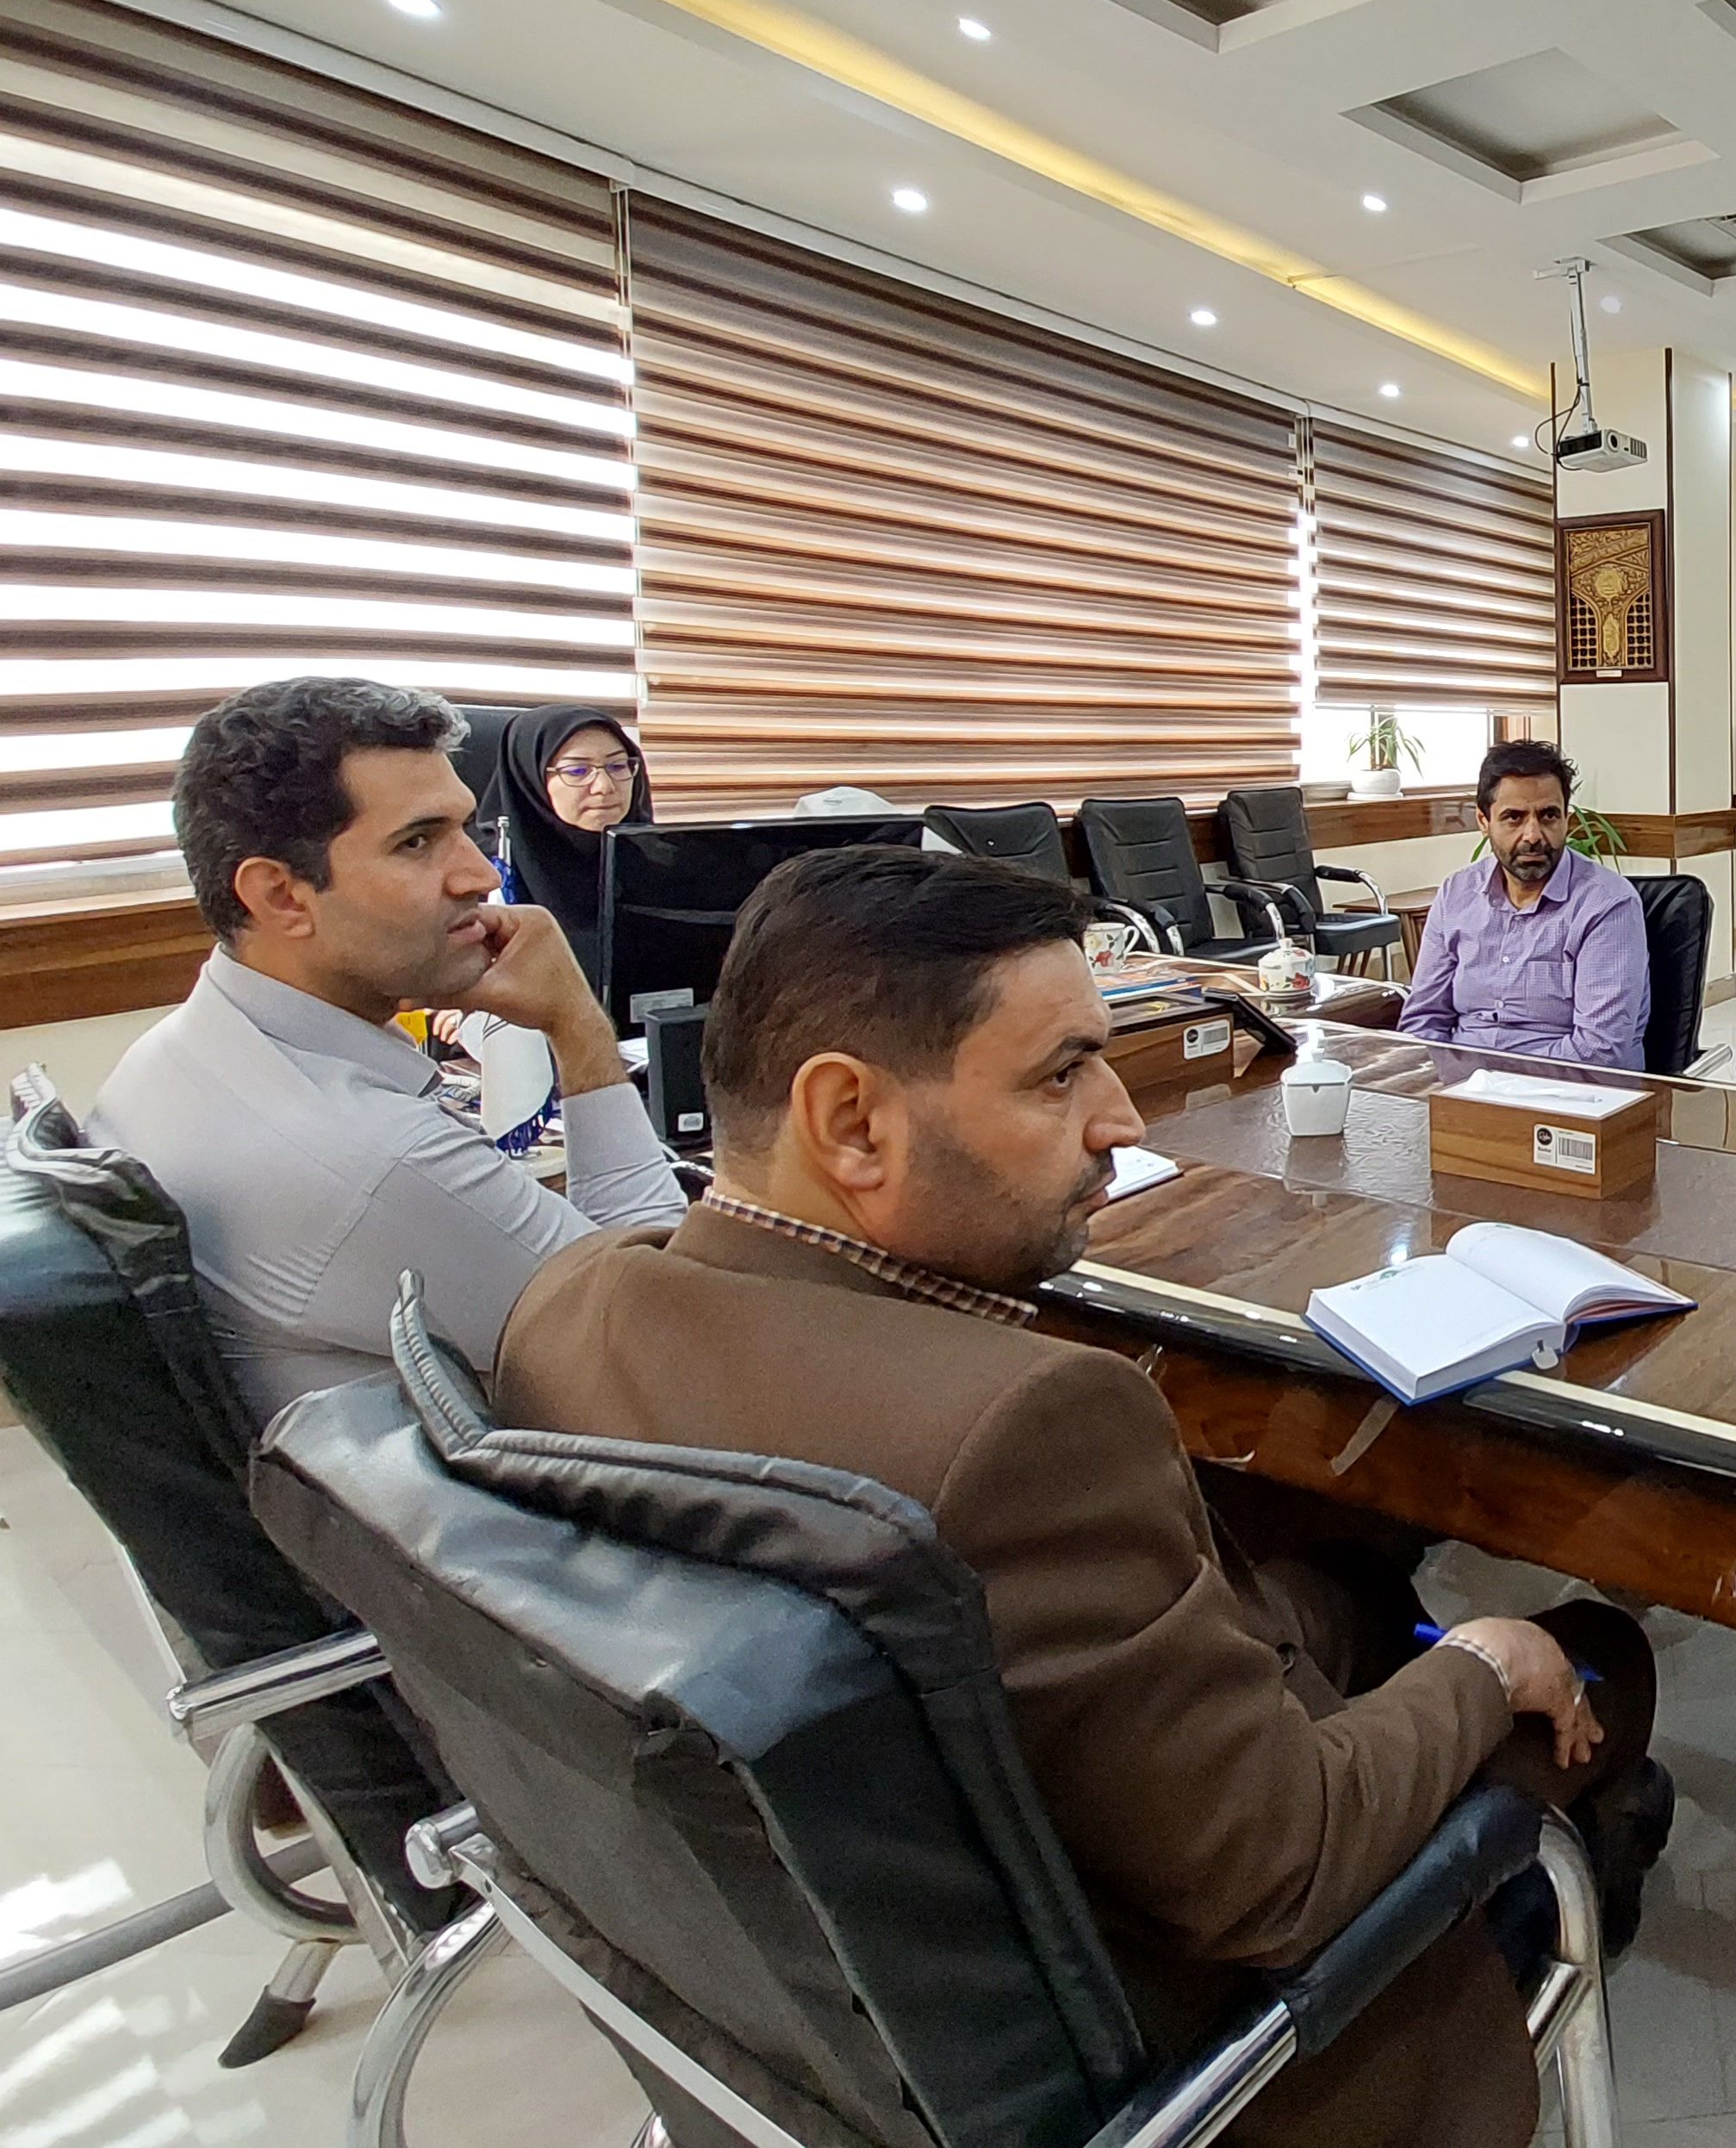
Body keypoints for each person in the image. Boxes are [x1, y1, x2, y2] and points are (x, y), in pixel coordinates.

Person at [492, 847, 1671, 2148]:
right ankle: (1547, 1903)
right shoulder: (1026, 1425)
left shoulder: (564, 1312)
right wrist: (1491, 1658)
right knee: (1595, 1653)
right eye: (1061, 1073)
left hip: (829, 1992)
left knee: (1347, 1566)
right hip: (1211, 2044)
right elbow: (1278, 1873)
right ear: (851, 1121)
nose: (1121, 1120)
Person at [89, 679, 687, 1426]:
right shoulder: (369, 1160)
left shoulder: (178, 1054)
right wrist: (576, 1026)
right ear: (280, 897)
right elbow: (672, 1336)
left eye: (466, 829)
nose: (480, 876)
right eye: (417, 842)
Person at [1397, 741, 1649, 1068]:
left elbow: (1599, 1051)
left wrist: (1493, 1077)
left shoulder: (1607, 905)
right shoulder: (1456, 894)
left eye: (1548, 816)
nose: (1533, 835)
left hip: (1569, 1088)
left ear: (1566, 819)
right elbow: (1423, 1020)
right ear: (1483, 821)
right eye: (1514, 818)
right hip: (1462, 1085)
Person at [474, 705, 650, 989]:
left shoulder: (664, 863)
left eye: (618, 766)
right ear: (530, 778)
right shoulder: (484, 877)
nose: (604, 786)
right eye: (578, 770)